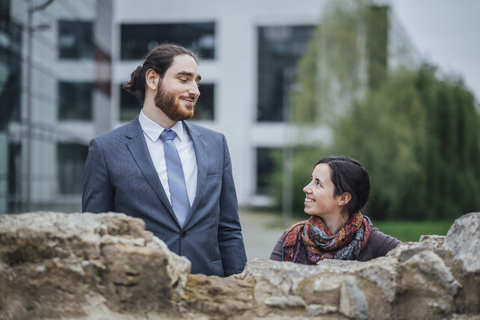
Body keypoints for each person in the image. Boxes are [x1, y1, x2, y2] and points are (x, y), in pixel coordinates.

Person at [83, 43, 247, 276]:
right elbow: (95, 234)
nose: (195, 90)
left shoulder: (216, 144)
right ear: (152, 79)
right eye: (184, 79)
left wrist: (240, 290)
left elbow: (229, 230)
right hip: (139, 294)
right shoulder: (106, 149)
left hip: (210, 292)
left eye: (196, 81)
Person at [270, 156, 401, 264]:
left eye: (318, 184)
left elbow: (416, 260)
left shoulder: (375, 243)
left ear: (343, 198)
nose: (306, 188)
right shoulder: (292, 239)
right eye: (311, 180)